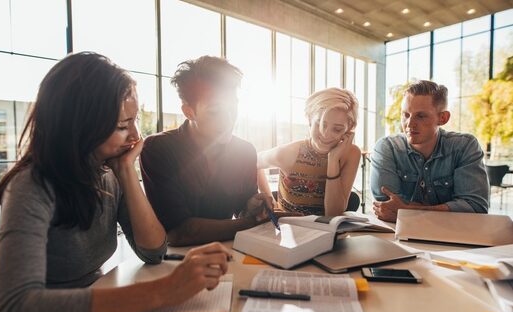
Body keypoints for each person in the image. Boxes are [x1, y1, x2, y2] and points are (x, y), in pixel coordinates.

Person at [0, 52, 231, 312]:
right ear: (81, 127)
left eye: (134, 121)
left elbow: (153, 251)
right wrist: (166, 291)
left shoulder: (108, 173)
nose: (136, 135)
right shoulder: (31, 186)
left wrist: (126, 172)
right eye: (123, 126)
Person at [140, 56, 271, 247]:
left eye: (233, 106)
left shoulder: (245, 151)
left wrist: (253, 206)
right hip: (177, 262)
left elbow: (243, 208)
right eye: (215, 111)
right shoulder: (158, 149)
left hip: (230, 252)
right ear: (188, 111)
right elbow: (179, 232)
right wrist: (251, 223)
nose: (228, 120)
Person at [371, 80, 489, 222]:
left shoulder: (464, 146)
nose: (409, 124)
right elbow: (386, 208)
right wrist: (447, 210)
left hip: (454, 238)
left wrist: (407, 212)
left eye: (421, 116)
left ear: (443, 118)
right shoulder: (387, 148)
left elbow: (476, 207)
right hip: (400, 237)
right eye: (406, 115)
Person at [257, 88, 361, 216]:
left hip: (329, 232)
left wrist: (333, 160)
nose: (326, 134)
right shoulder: (289, 153)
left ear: (348, 130)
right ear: (310, 120)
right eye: (321, 124)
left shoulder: (350, 154)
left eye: (337, 129)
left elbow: (333, 214)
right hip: (290, 232)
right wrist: (271, 204)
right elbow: (253, 162)